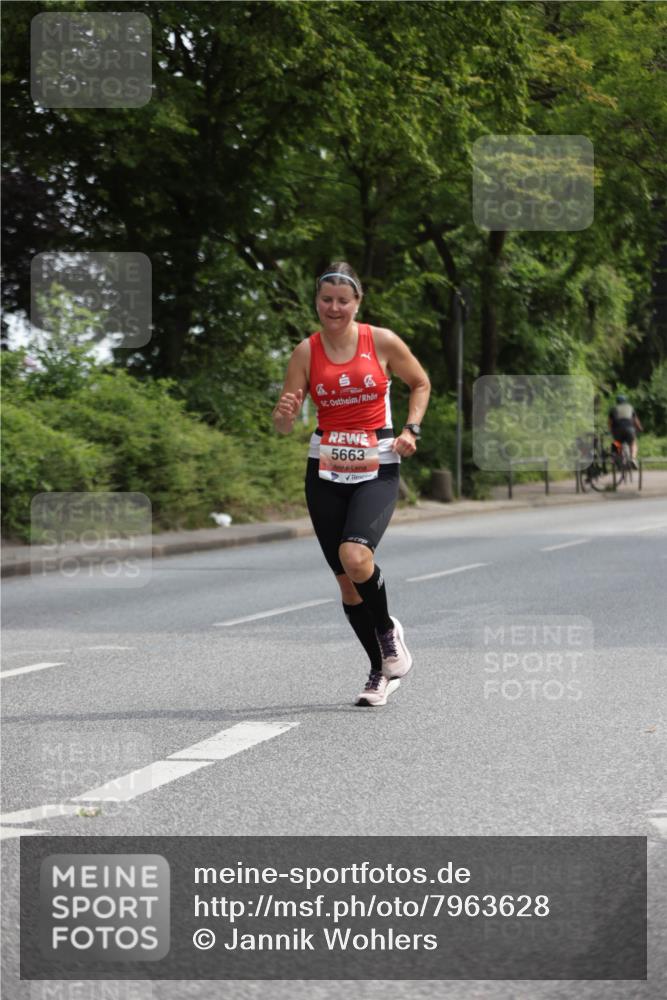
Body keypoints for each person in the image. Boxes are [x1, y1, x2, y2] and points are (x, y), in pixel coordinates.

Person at [272, 262, 431, 707]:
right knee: (346, 583)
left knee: (356, 555)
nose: (334, 307)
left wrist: (411, 429)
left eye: (343, 300)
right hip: (324, 470)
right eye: (326, 299)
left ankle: (386, 632)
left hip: (378, 464)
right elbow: (284, 423)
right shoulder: (306, 351)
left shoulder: (379, 341)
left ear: (357, 302)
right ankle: (380, 670)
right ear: (317, 303)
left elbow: (420, 382)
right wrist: (283, 416)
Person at [608, 394, 643, 468]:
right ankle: (633, 458)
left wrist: (610, 430)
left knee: (616, 442)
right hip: (629, 428)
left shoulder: (613, 409)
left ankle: (615, 457)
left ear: (617, 401)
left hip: (617, 429)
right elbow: (635, 420)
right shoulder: (630, 408)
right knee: (633, 443)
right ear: (625, 401)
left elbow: (610, 422)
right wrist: (640, 428)